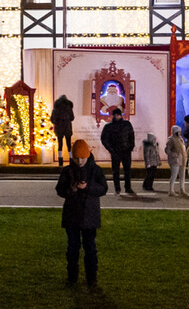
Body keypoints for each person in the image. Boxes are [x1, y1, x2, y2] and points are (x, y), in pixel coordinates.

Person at [56, 139, 108, 290]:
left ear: (88, 156)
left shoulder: (96, 170)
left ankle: (91, 278)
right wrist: (71, 190)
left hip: (89, 215)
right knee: (73, 248)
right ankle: (72, 277)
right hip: (72, 214)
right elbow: (59, 189)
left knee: (90, 247)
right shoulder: (67, 171)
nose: (80, 162)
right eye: (77, 159)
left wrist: (87, 187)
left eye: (82, 158)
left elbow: (103, 189)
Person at [100, 106, 137, 197]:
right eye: (115, 115)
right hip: (115, 152)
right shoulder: (109, 126)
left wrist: (131, 147)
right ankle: (117, 189)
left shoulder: (127, 124)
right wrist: (111, 150)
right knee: (116, 171)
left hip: (126, 151)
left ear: (120, 115)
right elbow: (104, 139)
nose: (116, 116)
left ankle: (128, 187)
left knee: (127, 170)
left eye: (117, 115)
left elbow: (131, 136)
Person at [166, 127, 189, 198]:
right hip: (175, 160)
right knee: (174, 175)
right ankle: (171, 190)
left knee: (182, 175)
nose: (180, 133)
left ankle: (182, 189)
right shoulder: (171, 140)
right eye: (179, 131)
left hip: (182, 159)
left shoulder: (180, 139)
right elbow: (167, 150)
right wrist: (174, 155)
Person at [50, 95, 75, 164]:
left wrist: (58, 122)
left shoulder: (56, 108)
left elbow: (52, 119)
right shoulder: (69, 108)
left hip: (59, 128)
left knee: (60, 145)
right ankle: (71, 159)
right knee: (68, 144)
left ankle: (60, 160)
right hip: (67, 128)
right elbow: (72, 118)